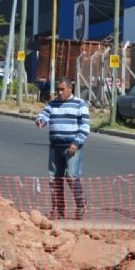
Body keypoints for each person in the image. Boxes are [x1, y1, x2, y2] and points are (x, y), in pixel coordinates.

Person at [35, 77, 90, 220]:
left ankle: (80, 205)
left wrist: (76, 143)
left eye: (62, 89)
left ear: (70, 89)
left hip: (72, 147)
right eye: (58, 89)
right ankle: (58, 210)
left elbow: (85, 126)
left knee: (72, 177)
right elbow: (44, 115)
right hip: (55, 147)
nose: (59, 92)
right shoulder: (53, 104)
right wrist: (40, 120)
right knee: (55, 179)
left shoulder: (80, 104)